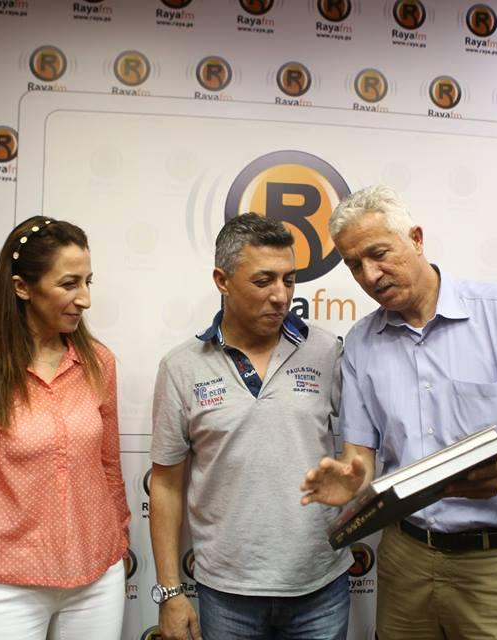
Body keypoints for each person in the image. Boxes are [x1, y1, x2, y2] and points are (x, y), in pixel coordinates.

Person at [300, 185, 497, 640]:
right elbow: (360, 456)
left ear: (416, 238)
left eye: (379, 254)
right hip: (405, 561)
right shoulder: (361, 343)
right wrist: (352, 479)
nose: (370, 275)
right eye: (354, 265)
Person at [0, 217, 131, 640]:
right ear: (22, 287)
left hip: (97, 580)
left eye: (88, 281)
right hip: (4, 588)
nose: (85, 299)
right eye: (69, 284)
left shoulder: (98, 363)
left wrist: (119, 543)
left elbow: (109, 468)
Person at [149, 213, 353, 640]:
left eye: (289, 280)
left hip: (320, 585)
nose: (281, 296)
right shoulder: (181, 367)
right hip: (227, 594)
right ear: (222, 280)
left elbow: (362, 449)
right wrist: (170, 591)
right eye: (263, 281)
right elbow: (165, 486)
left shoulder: (326, 351)